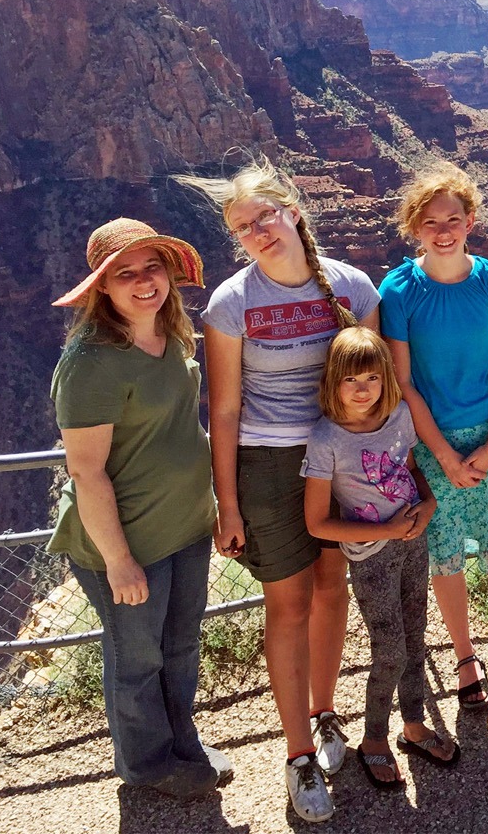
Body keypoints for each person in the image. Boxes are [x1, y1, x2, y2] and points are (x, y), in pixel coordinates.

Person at [181, 160, 379, 823]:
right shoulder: (232, 303)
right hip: (267, 467)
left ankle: (326, 713)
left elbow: (373, 391)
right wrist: (227, 502)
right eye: (244, 228)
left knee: (332, 590)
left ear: (292, 210)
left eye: (264, 216)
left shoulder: (352, 286)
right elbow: (227, 410)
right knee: (289, 604)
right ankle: (298, 753)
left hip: (340, 460)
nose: (258, 232)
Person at [48, 218, 229, 799]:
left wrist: (218, 507)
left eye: (151, 266)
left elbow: (186, 430)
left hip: (187, 528)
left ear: (169, 271)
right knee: (137, 660)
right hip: (127, 546)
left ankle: (183, 745)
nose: (143, 281)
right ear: (103, 286)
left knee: (180, 648)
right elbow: (86, 469)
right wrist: (119, 560)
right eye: (124, 273)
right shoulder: (92, 360)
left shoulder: (172, 334)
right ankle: (148, 767)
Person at [381, 162, 488, 706]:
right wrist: (441, 455)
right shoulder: (398, 289)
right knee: (444, 556)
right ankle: (465, 656)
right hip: (428, 443)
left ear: (471, 220)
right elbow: (401, 383)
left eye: (453, 218)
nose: (443, 230)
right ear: (414, 227)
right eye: (430, 220)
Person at [301, 327, 455, 788]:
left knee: (415, 637)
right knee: (389, 649)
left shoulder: (400, 416)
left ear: (386, 378)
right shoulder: (325, 438)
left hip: (413, 543)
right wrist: (386, 529)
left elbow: (408, 468)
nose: (363, 388)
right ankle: (372, 739)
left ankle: (412, 726)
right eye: (351, 380)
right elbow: (317, 523)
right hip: (371, 556)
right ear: (333, 382)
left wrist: (427, 503)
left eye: (371, 377)